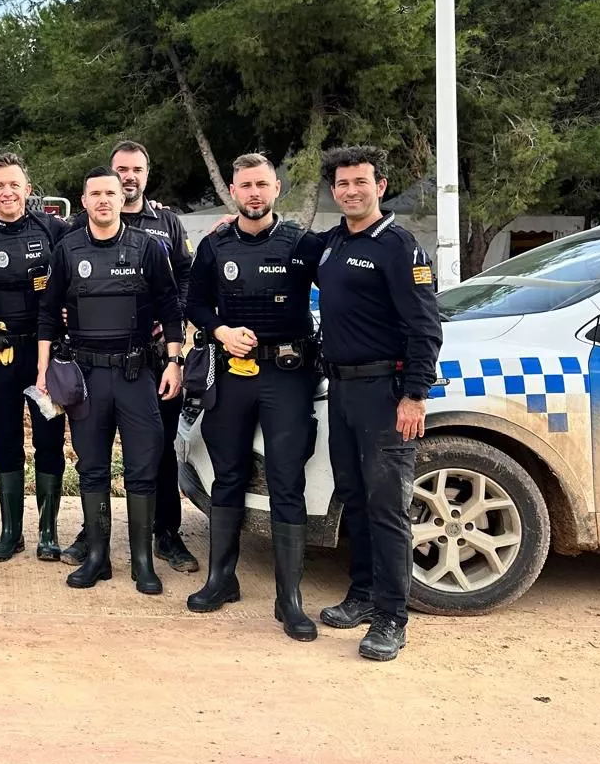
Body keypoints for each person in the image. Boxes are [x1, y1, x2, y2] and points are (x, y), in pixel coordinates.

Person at [184, 153, 327, 639]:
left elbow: (342, 287)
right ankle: (220, 580)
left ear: (276, 188)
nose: (254, 193)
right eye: (245, 185)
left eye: (262, 184)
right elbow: (195, 304)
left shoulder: (302, 244)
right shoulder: (215, 245)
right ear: (232, 190)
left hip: (288, 375)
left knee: (287, 481)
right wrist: (221, 330)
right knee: (228, 475)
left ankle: (290, 600)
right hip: (232, 375)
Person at [313, 146, 443, 662]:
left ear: (380, 186)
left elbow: (425, 328)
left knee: (388, 507)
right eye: (342, 184)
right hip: (343, 391)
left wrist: (415, 395)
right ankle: (364, 594)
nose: (351, 191)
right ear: (334, 191)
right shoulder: (333, 243)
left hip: (385, 395)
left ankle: (392, 617)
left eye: (360, 182)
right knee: (355, 498)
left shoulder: (399, 247)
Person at [36, 167, 183, 594]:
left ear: (123, 199)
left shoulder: (149, 247)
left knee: (143, 467)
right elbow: (48, 314)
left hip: (137, 375)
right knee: (92, 468)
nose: (103, 200)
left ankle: (142, 562)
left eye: (110, 193)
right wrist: (42, 370)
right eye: (95, 194)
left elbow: (170, 307)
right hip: (87, 379)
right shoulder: (66, 250)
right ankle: (97, 558)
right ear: (83, 201)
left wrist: (174, 362)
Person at [64, 140, 199, 574]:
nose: (128, 177)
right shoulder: (81, 223)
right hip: (98, 357)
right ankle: (92, 537)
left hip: (154, 357)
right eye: (121, 170)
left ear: (146, 174)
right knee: (95, 452)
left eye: (136, 169)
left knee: (155, 450)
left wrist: (168, 318)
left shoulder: (166, 223)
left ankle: (166, 534)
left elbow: (183, 278)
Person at [0, 151, 70, 562]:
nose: (7, 192)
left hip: (46, 354)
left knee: (49, 440)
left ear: (28, 188)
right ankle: (10, 533)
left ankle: (48, 533)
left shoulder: (53, 228)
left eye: (14, 184)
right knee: (6, 440)